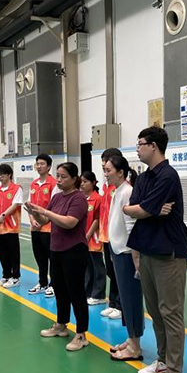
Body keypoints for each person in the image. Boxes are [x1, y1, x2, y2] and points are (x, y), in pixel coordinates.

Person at [123, 126, 187, 373]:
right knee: (155, 311)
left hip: (169, 252)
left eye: (140, 144)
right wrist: (146, 210)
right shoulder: (143, 177)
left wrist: (144, 210)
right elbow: (132, 208)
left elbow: (142, 209)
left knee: (171, 312)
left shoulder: (168, 176)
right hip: (148, 250)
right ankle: (162, 361)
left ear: (153, 146)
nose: (137, 149)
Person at [24, 163, 90, 352]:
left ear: (74, 178)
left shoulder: (78, 199)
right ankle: (61, 325)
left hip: (74, 251)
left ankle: (81, 334)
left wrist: (45, 211)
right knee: (60, 289)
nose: (59, 180)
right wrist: (35, 212)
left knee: (76, 292)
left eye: (63, 177)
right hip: (57, 249)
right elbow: (46, 220)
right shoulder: (57, 197)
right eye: (58, 176)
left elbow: (70, 222)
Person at [103, 156, 144, 361]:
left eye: (109, 170)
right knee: (126, 301)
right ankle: (131, 338)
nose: (105, 174)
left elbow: (131, 226)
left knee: (132, 300)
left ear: (120, 172)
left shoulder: (127, 192)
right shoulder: (117, 191)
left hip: (127, 254)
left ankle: (135, 347)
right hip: (119, 252)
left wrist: (135, 257)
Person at [98, 148, 123, 320]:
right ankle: (113, 303)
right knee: (111, 272)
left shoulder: (123, 187)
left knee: (119, 272)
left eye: (107, 169)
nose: (105, 172)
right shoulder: (106, 186)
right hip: (106, 235)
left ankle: (121, 305)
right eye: (103, 169)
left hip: (117, 237)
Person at [27, 154, 57, 297]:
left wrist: (43, 220)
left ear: (49, 167)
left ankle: (54, 284)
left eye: (42, 164)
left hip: (48, 228)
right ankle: (42, 282)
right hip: (35, 227)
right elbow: (29, 204)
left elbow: (54, 207)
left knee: (52, 258)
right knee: (39, 257)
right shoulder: (33, 184)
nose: (39, 166)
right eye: (37, 164)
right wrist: (32, 220)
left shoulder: (53, 184)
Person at [0, 163, 23, 288]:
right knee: (2, 253)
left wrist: (3, 215)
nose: (0, 177)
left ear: (9, 174)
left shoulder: (17, 189)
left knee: (13, 253)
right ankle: (6, 275)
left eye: (3, 174)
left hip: (12, 227)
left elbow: (15, 205)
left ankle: (15, 277)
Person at [80, 171, 107, 305]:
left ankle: (99, 294)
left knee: (97, 267)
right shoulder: (81, 198)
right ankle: (87, 292)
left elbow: (97, 219)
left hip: (93, 238)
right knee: (87, 266)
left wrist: (88, 234)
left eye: (85, 182)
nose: (82, 184)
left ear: (93, 183)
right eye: (81, 181)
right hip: (82, 237)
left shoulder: (98, 199)